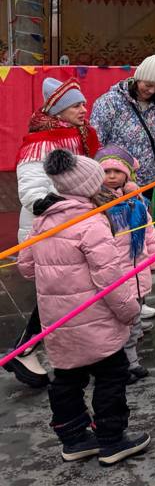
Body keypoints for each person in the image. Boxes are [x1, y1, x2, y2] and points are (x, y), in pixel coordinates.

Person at [17, 150, 150, 465]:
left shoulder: (43, 221)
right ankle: (112, 440)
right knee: (111, 375)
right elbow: (110, 280)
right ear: (89, 186)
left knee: (66, 379)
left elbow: (25, 267)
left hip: (58, 322)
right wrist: (129, 311)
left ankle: (75, 439)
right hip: (97, 323)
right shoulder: (91, 223)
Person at [7, 77, 100, 389]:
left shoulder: (80, 137)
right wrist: (57, 206)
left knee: (64, 296)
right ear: (59, 110)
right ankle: (25, 348)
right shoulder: (42, 141)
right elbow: (32, 189)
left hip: (72, 229)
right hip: (49, 230)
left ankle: (43, 349)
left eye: (84, 103)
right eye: (76, 105)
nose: (83, 109)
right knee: (55, 298)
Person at [96, 146, 155, 383]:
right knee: (117, 324)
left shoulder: (137, 203)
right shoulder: (97, 206)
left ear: (128, 174)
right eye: (106, 171)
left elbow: (149, 233)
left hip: (137, 273)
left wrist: (154, 258)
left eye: (117, 171)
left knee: (134, 324)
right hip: (117, 276)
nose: (112, 176)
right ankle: (118, 365)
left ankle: (132, 361)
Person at [90, 54, 155, 223]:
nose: (151, 91)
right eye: (148, 85)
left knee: (141, 229)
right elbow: (95, 142)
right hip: (113, 183)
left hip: (145, 184)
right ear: (138, 79)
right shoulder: (110, 102)